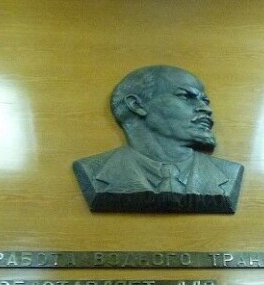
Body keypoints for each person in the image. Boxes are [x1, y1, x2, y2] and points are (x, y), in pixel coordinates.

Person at [73, 65, 244, 213]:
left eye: (204, 100)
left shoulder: (228, 175)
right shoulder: (94, 171)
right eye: (186, 97)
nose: (206, 109)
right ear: (137, 105)